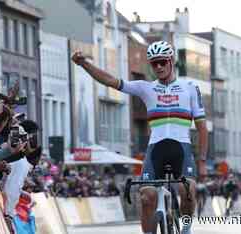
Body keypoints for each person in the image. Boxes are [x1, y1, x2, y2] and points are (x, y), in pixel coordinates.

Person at [72, 40, 208, 234]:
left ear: (171, 61)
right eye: (154, 63)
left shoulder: (190, 88)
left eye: (162, 61)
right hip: (156, 150)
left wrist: (202, 161)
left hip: (182, 149)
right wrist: (84, 63)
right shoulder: (146, 88)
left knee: (187, 191)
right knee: (146, 198)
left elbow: (202, 128)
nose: (159, 67)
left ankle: (186, 229)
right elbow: (111, 81)